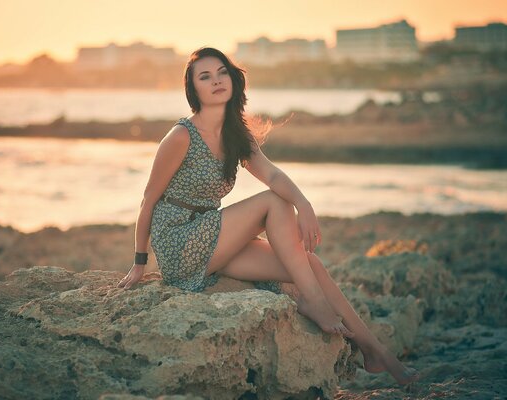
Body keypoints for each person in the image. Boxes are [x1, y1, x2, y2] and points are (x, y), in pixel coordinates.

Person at [117, 46, 420, 385]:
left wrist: (304, 204)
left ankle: (377, 353)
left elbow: (273, 176)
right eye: (205, 77)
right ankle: (314, 302)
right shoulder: (181, 135)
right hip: (179, 241)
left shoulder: (235, 135)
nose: (216, 81)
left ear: (233, 79)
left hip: (213, 240)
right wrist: (140, 262)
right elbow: (148, 199)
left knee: (310, 265)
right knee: (274, 204)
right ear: (194, 90)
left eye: (221, 73)